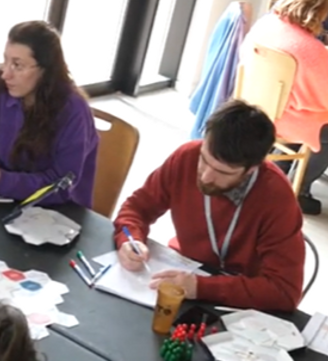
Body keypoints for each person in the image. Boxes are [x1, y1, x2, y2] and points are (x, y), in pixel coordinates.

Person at [112, 100, 305, 312]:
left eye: (222, 172)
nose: (205, 177)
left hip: (239, 301)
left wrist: (200, 287)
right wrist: (130, 239)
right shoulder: (186, 157)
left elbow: (284, 291)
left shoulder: (276, 197)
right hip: (184, 269)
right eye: (204, 160)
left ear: (251, 169)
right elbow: (136, 209)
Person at [240, 0, 328, 215]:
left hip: (252, 104)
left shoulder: (265, 24)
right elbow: (327, 100)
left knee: (301, 107)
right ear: (320, 13)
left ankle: (279, 169)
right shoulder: (310, 48)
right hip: (284, 116)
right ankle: (298, 188)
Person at [0, 20, 98, 207]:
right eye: (6, 61)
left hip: (56, 211)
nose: (6, 74)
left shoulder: (73, 111)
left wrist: (1, 179)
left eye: (17, 65)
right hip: (1, 200)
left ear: (45, 70)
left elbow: (60, 186)